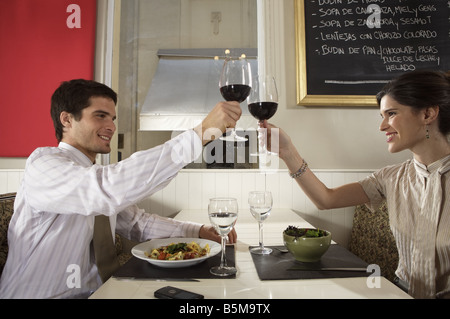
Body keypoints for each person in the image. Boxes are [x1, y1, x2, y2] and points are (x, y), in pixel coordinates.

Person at [0, 79, 239, 299]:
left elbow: (137, 224)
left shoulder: (91, 175)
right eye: (100, 116)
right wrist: (201, 134)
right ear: (67, 119)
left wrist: (198, 231)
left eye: (112, 119)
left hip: (101, 291)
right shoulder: (43, 165)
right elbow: (105, 189)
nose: (110, 126)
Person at [263, 70, 450, 299]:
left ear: (428, 114)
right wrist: (287, 152)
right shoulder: (390, 177)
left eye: (391, 114)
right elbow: (326, 199)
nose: (382, 126)